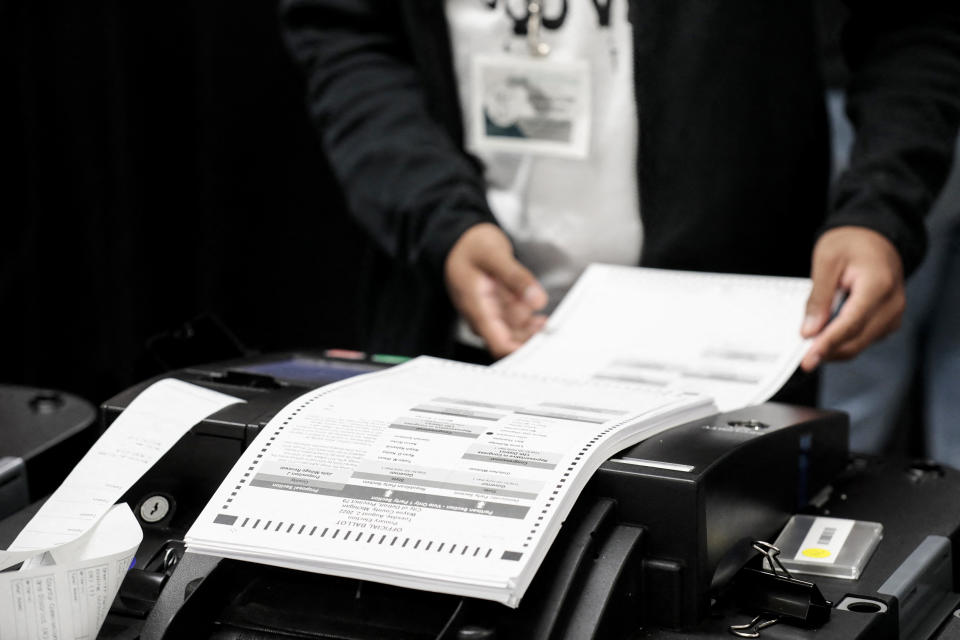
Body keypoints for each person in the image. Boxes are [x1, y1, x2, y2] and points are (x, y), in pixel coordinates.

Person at [279, 1, 960, 376]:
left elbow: (914, 22)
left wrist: (878, 209)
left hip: (725, 351)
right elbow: (347, 34)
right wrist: (439, 222)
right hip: (459, 330)